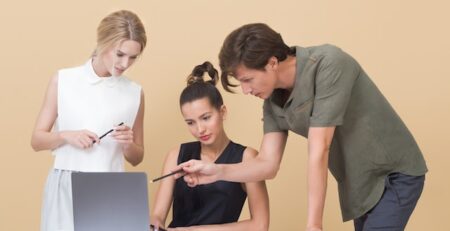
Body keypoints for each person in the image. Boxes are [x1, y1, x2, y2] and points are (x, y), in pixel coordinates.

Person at [175, 23, 428, 231]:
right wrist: (215, 171)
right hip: (358, 185)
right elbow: (267, 165)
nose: (246, 90)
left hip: (393, 174)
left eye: (248, 80)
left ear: (272, 62)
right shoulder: (272, 99)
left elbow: (320, 148)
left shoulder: (329, 64)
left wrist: (313, 225)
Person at [30, 10, 147, 231]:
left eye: (133, 57)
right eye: (120, 54)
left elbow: (137, 158)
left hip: (112, 188)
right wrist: (66, 136)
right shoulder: (63, 80)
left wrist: (127, 144)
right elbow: (36, 140)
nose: (125, 63)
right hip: (66, 185)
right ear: (103, 43)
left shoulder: (135, 92)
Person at [150, 62, 269, 231]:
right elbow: (157, 216)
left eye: (206, 118)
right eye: (190, 122)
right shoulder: (176, 155)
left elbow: (260, 225)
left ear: (223, 112)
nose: (200, 129)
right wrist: (154, 225)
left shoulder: (247, 158)